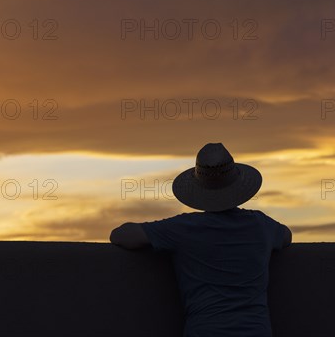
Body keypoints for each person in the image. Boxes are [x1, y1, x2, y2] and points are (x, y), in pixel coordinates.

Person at [110, 142, 292, 337]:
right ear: (238, 186)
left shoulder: (183, 228)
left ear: (199, 189)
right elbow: (286, 236)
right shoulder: (261, 225)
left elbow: (121, 236)